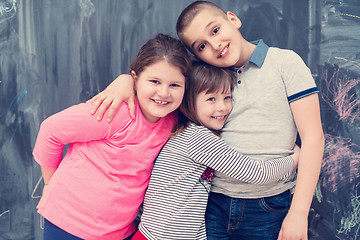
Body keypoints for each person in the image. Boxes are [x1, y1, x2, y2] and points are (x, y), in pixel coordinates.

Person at [89, 1, 325, 239]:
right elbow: (161, 83)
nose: (215, 45)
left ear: (232, 20)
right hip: (210, 203)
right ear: (195, 55)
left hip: (266, 203)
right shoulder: (203, 78)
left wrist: (299, 213)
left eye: (215, 30)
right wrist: (125, 81)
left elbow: (313, 137)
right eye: (202, 46)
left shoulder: (284, 63)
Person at [32, 33, 192, 240]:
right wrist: (48, 184)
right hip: (68, 222)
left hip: (119, 230)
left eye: (174, 85)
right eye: (154, 81)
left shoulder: (173, 120)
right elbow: (50, 130)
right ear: (135, 78)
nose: (163, 93)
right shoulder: (115, 111)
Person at [131, 61, 299, 240]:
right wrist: (295, 159)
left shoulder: (188, 133)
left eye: (227, 97)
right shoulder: (196, 138)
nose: (223, 107)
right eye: (211, 99)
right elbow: (256, 173)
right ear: (187, 102)